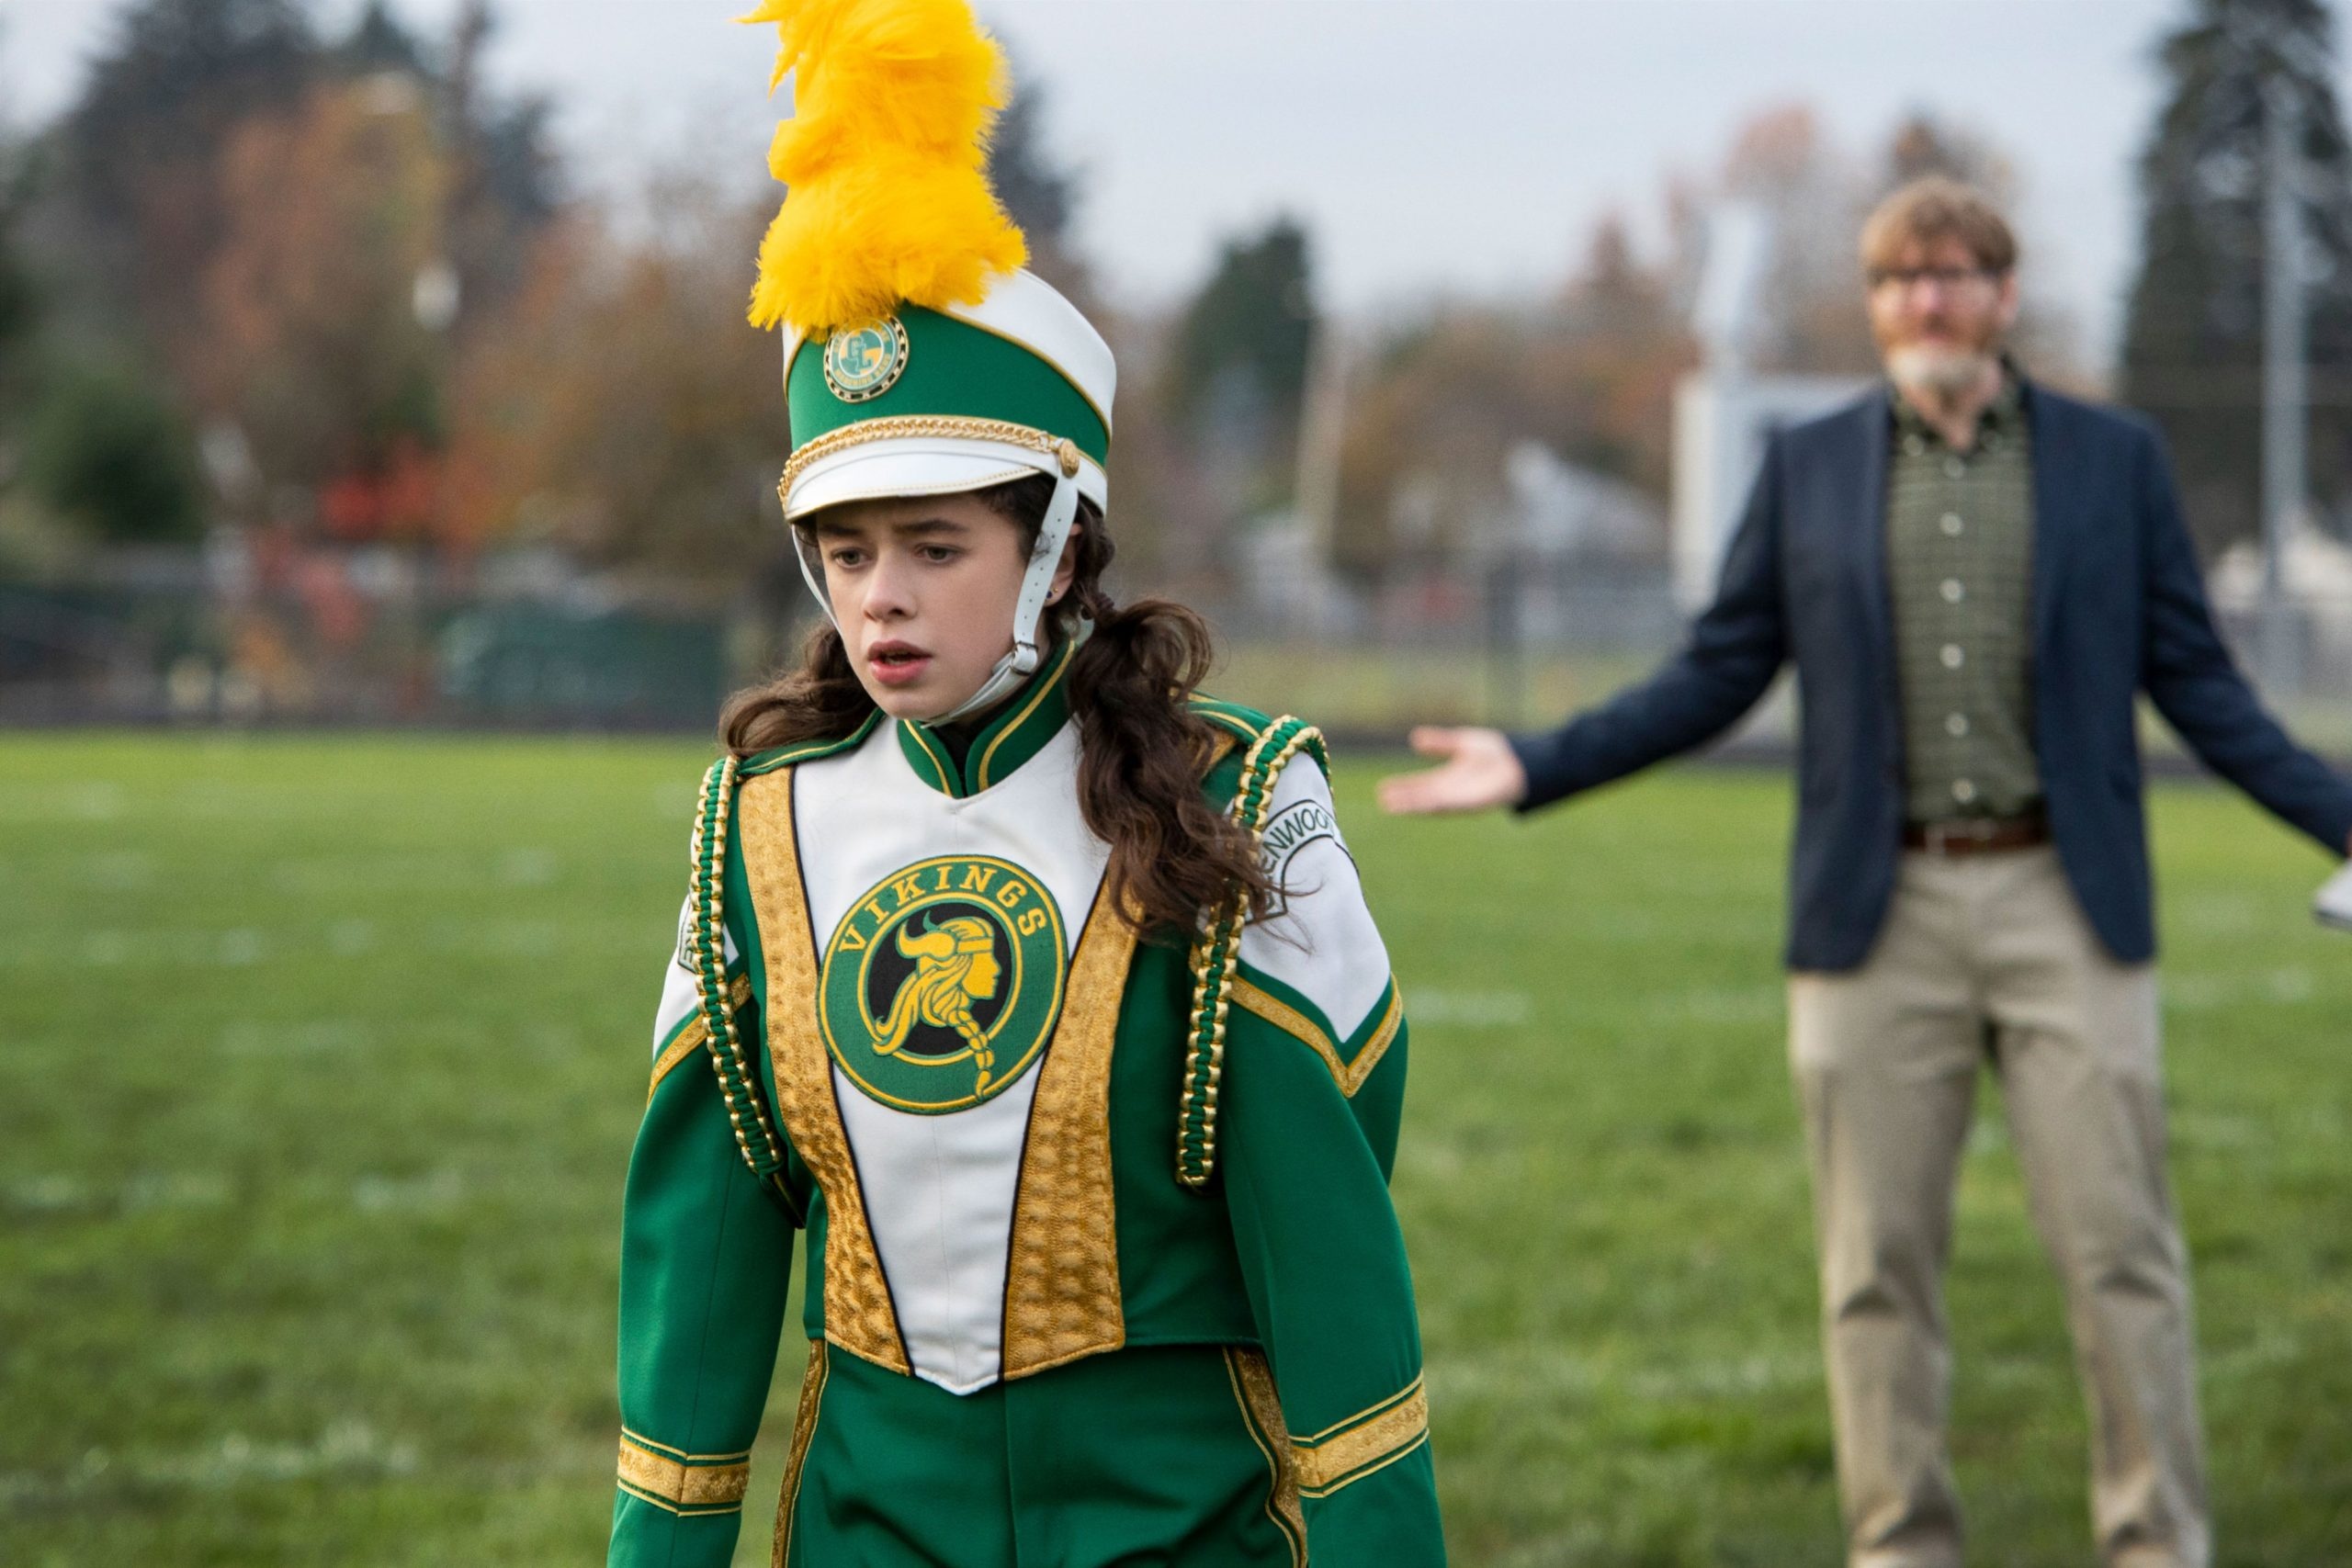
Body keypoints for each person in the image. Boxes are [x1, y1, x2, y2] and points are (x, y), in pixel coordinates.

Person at [1382, 176, 2352, 1568]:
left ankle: (2158, 1543)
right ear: (1878, 303)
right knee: (1873, 1275)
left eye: (1956, 274)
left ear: (2004, 296)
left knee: (2122, 1257)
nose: (1928, 301)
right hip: (1871, 914)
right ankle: (1901, 1546)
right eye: (1901, 280)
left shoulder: (2111, 462)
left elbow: (2203, 685)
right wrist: (1539, 763)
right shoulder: (1813, 465)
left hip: (2065, 905)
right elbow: (1718, 672)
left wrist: (2342, 815)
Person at [605, 3, 1443, 1564]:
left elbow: (1333, 1245)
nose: (881, 601)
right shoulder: (761, 825)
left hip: (1177, 1523)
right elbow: (703, 1258)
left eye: (936, 548)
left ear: (1056, 548)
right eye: (846, 553)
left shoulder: (1238, 791)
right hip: (866, 1522)